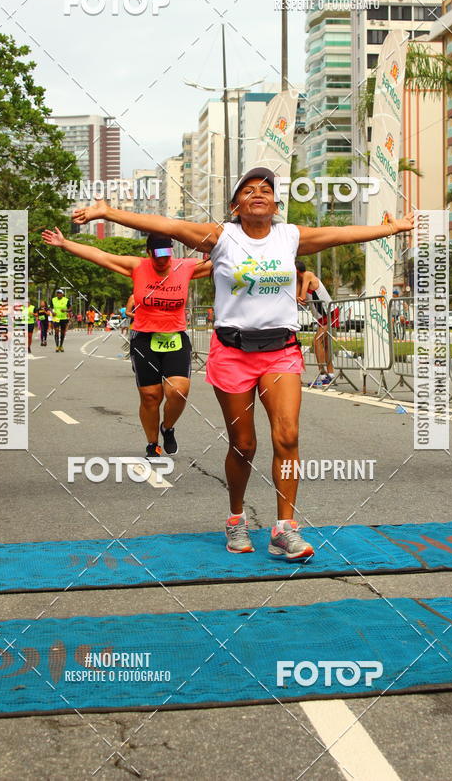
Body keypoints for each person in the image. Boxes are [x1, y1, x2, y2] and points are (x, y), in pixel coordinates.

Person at [70, 170, 414, 561]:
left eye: (266, 190)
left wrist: (393, 229)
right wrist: (109, 213)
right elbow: (166, 224)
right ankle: (236, 518)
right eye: (248, 191)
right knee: (244, 445)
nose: (258, 194)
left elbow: (340, 233)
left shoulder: (290, 237)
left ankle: (285, 528)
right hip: (232, 352)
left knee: (287, 437)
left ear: (276, 205)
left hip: (280, 351)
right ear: (236, 206)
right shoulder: (221, 237)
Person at [41, 228, 212, 457]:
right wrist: (65, 243)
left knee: (178, 392)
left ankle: (167, 428)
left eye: (166, 256)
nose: (163, 261)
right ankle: (153, 444)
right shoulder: (137, 266)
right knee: (151, 396)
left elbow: (224, 261)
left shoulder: (185, 266)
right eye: (157, 256)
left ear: (172, 253)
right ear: (148, 253)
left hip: (175, 337)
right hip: (144, 339)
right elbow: (99, 255)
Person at [296, 261, 337, 387]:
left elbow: (301, 297)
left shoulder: (308, 275)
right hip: (321, 316)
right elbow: (297, 299)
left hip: (329, 312)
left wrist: (299, 297)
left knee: (317, 341)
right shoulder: (300, 281)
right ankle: (331, 374)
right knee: (325, 344)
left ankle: (323, 374)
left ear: (296, 271)